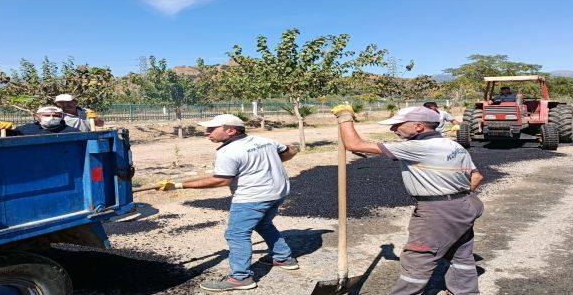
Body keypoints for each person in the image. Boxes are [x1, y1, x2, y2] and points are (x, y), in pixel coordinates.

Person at [332, 105, 484, 295]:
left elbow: (354, 144)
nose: (393, 129)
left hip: (438, 211)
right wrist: (454, 198)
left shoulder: (418, 146)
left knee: (418, 258)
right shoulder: (453, 145)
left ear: (418, 127)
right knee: (460, 254)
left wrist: (345, 117)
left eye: (398, 125)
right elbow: (477, 177)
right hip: (466, 204)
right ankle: (464, 291)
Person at [155, 114, 299, 292]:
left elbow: (221, 181)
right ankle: (283, 257)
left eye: (211, 129)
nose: (207, 133)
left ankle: (240, 278)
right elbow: (290, 152)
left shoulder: (227, 152)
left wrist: (178, 185)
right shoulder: (264, 141)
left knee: (236, 234)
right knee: (264, 223)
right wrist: (263, 164)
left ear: (231, 130)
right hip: (278, 192)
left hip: (252, 198)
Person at [0, 106, 81, 136]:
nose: (52, 117)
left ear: (62, 116)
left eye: (55, 115)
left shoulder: (72, 131)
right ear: (36, 117)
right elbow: (6, 137)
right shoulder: (25, 129)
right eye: (46, 115)